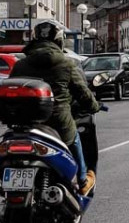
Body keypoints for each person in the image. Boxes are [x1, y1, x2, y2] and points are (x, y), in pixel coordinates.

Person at [10, 19, 101, 195]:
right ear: (59, 41)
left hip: (25, 122)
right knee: (74, 138)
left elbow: (12, 87)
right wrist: (94, 106)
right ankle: (82, 179)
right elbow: (82, 92)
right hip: (57, 121)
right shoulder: (66, 64)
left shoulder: (20, 64)